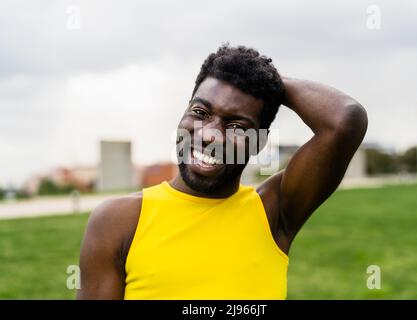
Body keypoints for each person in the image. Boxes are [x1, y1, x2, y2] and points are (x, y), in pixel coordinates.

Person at [77, 44, 368, 299]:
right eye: (200, 112)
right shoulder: (118, 221)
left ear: (259, 142)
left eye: (236, 126)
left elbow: (344, 120)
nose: (209, 135)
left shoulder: (273, 212)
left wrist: (262, 79)